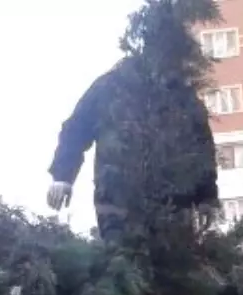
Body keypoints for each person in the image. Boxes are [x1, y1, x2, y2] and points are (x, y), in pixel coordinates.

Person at [45, 1, 219, 242]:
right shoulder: (111, 87)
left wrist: (206, 197)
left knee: (174, 272)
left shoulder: (181, 96)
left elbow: (201, 146)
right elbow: (76, 129)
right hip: (118, 204)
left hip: (173, 207)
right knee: (124, 266)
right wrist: (63, 177)